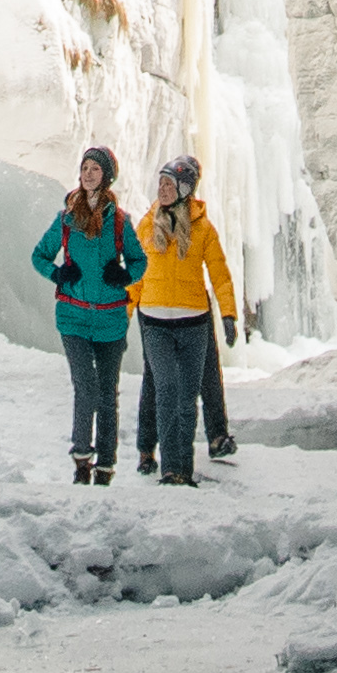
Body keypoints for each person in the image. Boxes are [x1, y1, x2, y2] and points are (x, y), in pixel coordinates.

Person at [128, 153, 245, 482]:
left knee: (184, 400)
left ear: (185, 189)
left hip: (193, 322)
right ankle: (168, 468)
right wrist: (120, 319)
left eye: (170, 184)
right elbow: (135, 276)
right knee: (164, 390)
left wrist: (229, 314)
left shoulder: (203, 229)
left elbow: (220, 274)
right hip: (154, 322)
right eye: (161, 183)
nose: (163, 190)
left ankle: (183, 468)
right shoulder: (147, 224)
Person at [32, 151, 144, 483]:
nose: (88, 174)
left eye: (95, 169)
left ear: (107, 176)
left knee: (107, 391)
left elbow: (139, 261)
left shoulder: (120, 221)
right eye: (84, 168)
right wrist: (57, 274)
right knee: (86, 386)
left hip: (110, 319)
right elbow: (39, 256)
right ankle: (82, 458)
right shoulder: (66, 218)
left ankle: (106, 464)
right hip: (73, 318)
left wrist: (124, 276)